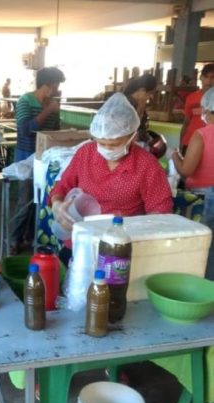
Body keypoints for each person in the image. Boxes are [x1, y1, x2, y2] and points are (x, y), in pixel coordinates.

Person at [50, 93, 172, 263]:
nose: (107, 149)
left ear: (132, 137)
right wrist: (57, 204)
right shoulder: (86, 153)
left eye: (114, 144)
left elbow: (161, 209)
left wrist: (133, 229)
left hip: (119, 249)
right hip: (81, 241)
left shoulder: (146, 165)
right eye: (101, 143)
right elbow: (62, 186)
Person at [9, 66, 65, 255]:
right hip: (25, 158)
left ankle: (29, 237)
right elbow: (25, 129)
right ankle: (14, 239)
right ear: (47, 85)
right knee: (24, 200)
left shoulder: (53, 104)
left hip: (44, 160)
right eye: (55, 86)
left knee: (39, 201)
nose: (57, 90)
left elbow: (54, 132)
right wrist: (48, 111)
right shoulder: (25, 101)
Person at [171, 87, 214, 279]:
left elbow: (186, 170)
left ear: (207, 110)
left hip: (202, 199)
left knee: (202, 248)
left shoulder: (202, 134)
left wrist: (174, 157)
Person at [180, 63, 214, 154]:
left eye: (212, 77)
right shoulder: (191, 97)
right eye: (206, 77)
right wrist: (181, 142)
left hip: (210, 145)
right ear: (201, 78)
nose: (209, 81)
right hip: (190, 142)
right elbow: (186, 122)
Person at [123, 73, 157, 143]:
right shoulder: (128, 103)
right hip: (131, 142)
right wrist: (141, 106)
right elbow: (133, 127)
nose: (151, 97)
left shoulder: (135, 101)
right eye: (150, 93)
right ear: (142, 90)